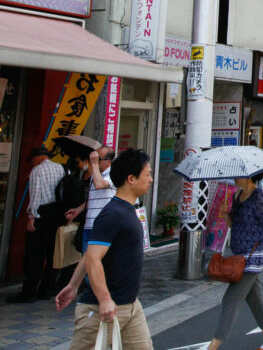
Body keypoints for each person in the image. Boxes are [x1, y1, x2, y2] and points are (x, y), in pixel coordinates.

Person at [56, 149, 155, 349]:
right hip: (102, 309)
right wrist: (105, 299)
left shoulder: (126, 210)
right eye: (147, 174)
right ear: (131, 179)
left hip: (131, 306)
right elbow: (93, 258)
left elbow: (92, 252)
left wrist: (73, 285)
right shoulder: (113, 214)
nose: (151, 179)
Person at [205, 171, 263, 350]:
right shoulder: (238, 194)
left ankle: (213, 346)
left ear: (249, 176)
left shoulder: (259, 197)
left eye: (238, 174)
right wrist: (225, 214)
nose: (234, 177)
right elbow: (236, 225)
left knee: (231, 300)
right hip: (240, 256)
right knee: (254, 297)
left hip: (253, 257)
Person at [8, 147, 65, 303]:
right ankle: (46, 289)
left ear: (38, 157)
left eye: (32, 159)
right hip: (57, 213)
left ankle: (29, 292)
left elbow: (35, 195)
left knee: (35, 254)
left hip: (42, 214)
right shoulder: (60, 168)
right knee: (52, 253)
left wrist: (32, 216)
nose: (31, 162)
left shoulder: (37, 171)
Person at [79, 148, 116, 254]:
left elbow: (100, 185)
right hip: (89, 224)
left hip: (103, 226)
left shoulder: (114, 173)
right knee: (87, 263)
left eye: (98, 158)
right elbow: (92, 199)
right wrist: (78, 210)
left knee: (99, 264)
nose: (94, 160)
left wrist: (94, 165)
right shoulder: (95, 175)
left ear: (108, 161)